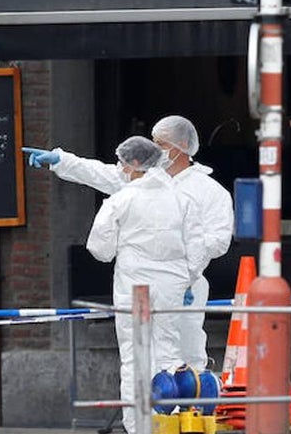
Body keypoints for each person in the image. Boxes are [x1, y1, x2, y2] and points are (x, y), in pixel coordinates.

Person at [25, 115, 234, 370]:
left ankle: (190, 404)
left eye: (160, 143)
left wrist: (188, 270)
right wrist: (62, 160)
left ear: (180, 146)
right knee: (139, 356)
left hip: (181, 284)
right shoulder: (142, 180)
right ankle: (145, 408)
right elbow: (101, 173)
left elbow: (218, 239)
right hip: (143, 283)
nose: (155, 149)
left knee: (185, 349)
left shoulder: (209, 192)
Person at [83, 136, 199, 434]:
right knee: (169, 351)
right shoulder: (180, 198)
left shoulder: (122, 199)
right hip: (172, 284)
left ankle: (138, 427)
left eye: (122, 162)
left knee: (135, 354)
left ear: (134, 164)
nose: (119, 168)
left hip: (134, 286)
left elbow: (100, 249)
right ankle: (171, 420)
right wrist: (187, 278)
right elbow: (196, 246)